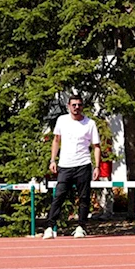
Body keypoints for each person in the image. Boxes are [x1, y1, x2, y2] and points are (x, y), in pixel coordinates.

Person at [43, 94, 101, 239]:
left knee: (83, 198)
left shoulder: (90, 123)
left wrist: (97, 166)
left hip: (83, 164)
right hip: (65, 165)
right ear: (69, 106)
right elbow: (56, 141)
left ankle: (81, 227)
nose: (76, 108)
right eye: (73, 105)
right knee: (59, 195)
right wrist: (52, 160)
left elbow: (96, 146)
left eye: (79, 105)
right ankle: (50, 227)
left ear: (82, 106)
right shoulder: (62, 120)